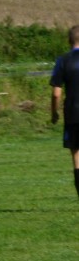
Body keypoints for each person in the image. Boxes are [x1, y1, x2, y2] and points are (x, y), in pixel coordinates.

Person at [50, 24, 79, 199]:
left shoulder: (63, 60)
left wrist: (54, 113)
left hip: (73, 114)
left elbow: (56, 93)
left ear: (69, 41)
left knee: (77, 155)